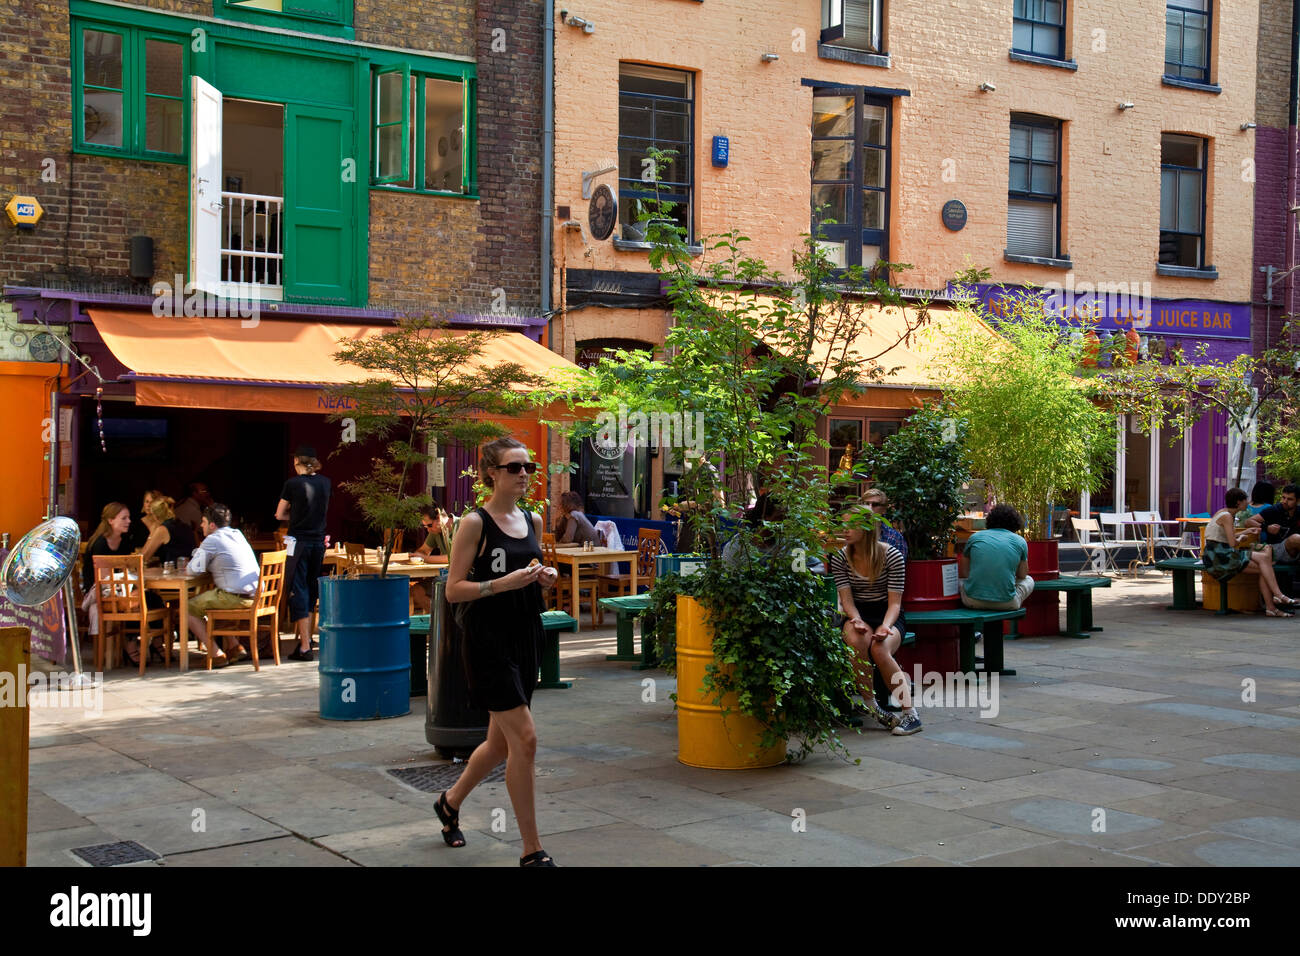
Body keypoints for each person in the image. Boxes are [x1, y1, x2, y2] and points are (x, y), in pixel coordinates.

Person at [439, 437, 561, 866]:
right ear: (492, 472)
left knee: (499, 744)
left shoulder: (534, 519)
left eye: (528, 466)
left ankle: (449, 803)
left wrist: (543, 576)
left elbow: (531, 567)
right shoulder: (474, 523)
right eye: (514, 467)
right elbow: (453, 590)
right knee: (525, 739)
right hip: (487, 640)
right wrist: (499, 584)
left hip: (526, 633)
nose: (524, 473)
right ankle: (532, 851)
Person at [829, 506, 920, 735]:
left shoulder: (891, 556)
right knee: (856, 641)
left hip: (887, 613)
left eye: (851, 525)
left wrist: (886, 626)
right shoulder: (841, 557)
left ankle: (910, 714)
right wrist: (856, 619)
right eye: (844, 525)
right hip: (858, 613)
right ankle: (874, 707)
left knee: (880, 649)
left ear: (867, 528)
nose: (845, 531)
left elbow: (895, 604)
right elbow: (846, 599)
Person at [186, 503, 261, 665]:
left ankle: (215, 654)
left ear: (212, 525)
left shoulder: (212, 539)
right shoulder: (237, 534)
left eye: (204, 522)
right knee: (216, 597)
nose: (201, 525)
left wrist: (196, 556)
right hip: (256, 596)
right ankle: (234, 647)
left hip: (236, 597)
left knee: (187, 609)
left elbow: (192, 570)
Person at [275, 446, 331, 662]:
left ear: (297, 460)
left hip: (297, 542)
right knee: (310, 588)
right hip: (319, 542)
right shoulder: (326, 482)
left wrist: (295, 513)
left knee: (297, 589)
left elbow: (280, 514)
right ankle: (306, 641)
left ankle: (305, 646)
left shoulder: (292, 484)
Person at [1206, 488, 1297, 617]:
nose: (1248, 503)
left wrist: (1247, 532)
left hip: (1219, 552)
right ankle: (1277, 595)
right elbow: (1232, 543)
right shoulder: (1227, 517)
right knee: (1264, 560)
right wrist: (1241, 539)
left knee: (1264, 568)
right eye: (1245, 501)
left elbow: (1226, 535)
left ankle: (1271, 607)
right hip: (1220, 555)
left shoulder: (1224, 513)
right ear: (1238, 502)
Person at [81, 502, 136, 661]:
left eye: (129, 517)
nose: (129, 521)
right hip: (100, 590)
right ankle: (129, 645)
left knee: (152, 599)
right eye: (124, 518)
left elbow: (126, 570)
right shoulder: (100, 543)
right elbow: (103, 579)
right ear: (111, 520)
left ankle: (156, 645)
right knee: (135, 602)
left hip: (119, 587)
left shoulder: (125, 541)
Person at [959, 504, 1034, 611]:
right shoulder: (1020, 541)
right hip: (1008, 603)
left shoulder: (975, 537)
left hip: (971, 601)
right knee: (1029, 580)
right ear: (1015, 523)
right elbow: (1022, 575)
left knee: (960, 581)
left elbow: (964, 573)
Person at [1247, 483, 1300, 566]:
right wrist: (1267, 528)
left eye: (1290, 499)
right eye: (1283, 497)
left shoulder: (1298, 511)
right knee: (1296, 538)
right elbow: (1248, 521)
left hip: (1295, 551)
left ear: (1298, 501)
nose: (1285, 501)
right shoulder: (1274, 509)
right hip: (1275, 549)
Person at [139, 496, 196, 568]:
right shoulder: (184, 525)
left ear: (155, 516)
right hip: (191, 570)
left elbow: (143, 557)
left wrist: (152, 533)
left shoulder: (163, 529)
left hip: (175, 573)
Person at [861, 487, 908, 561]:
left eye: (875, 504)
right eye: (866, 504)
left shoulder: (895, 538)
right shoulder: (854, 533)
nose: (869, 508)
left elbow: (898, 569)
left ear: (884, 510)